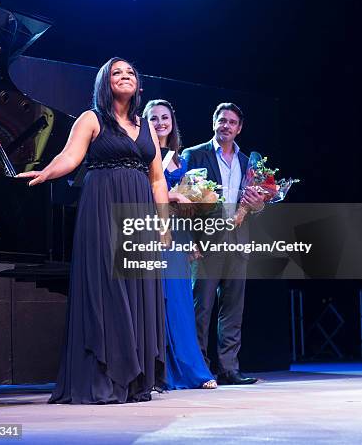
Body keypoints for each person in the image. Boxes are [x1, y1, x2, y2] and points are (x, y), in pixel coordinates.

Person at [17, 58, 167, 404]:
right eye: (117, 72)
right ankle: (105, 376)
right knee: (108, 289)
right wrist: (44, 173)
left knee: (137, 291)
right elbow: (70, 157)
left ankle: (133, 380)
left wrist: (163, 224)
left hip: (140, 213)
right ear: (105, 82)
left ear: (138, 84)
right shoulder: (92, 119)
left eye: (131, 72)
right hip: (102, 208)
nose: (125, 76)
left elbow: (157, 179)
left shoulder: (145, 125)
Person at [182, 102, 264, 385]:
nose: (226, 125)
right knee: (201, 308)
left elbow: (258, 203)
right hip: (206, 242)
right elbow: (184, 203)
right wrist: (190, 241)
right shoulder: (193, 155)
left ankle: (229, 368)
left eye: (231, 122)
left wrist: (258, 203)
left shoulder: (248, 162)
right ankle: (200, 369)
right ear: (213, 122)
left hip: (238, 242)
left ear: (239, 128)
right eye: (221, 120)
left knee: (233, 308)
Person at [143, 99, 217, 390]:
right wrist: (171, 196)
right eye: (154, 118)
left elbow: (188, 204)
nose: (161, 123)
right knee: (162, 300)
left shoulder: (180, 160)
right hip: (155, 230)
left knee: (182, 303)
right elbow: (141, 192)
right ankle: (162, 371)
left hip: (181, 235)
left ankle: (192, 370)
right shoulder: (146, 153)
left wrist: (193, 239)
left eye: (165, 117)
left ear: (172, 121)